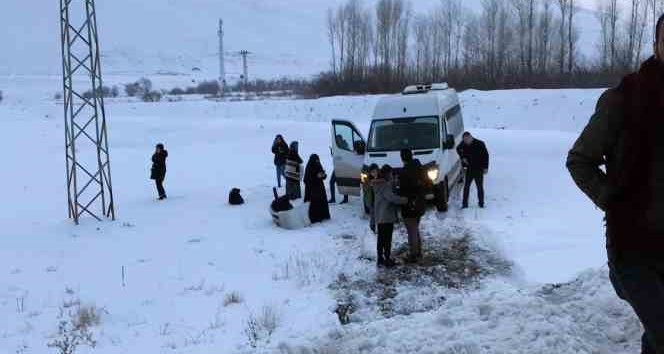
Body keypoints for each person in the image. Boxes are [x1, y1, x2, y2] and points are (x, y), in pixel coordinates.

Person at [567, 14, 664, 353]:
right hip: (633, 247)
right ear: (655, 45)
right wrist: (616, 201)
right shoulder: (623, 99)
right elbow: (580, 160)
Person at [372, 165, 408, 268]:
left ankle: (380, 259)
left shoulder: (378, 184)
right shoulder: (385, 185)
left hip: (380, 216)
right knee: (387, 239)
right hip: (386, 216)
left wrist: (394, 182)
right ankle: (387, 259)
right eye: (391, 174)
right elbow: (392, 198)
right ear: (387, 174)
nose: (392, 175)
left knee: (381, 238)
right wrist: (405, 200)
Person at [399, 149, 425, 262]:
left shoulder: (404, 172)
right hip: (420, 203)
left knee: (411, 230)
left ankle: (414, 254)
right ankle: (418, 251)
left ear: (402, 158)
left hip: (410, 205)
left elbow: (403, 191)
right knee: (415, 228)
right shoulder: (419, 167)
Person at [456, 132, 489, 209]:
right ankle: (464, 204)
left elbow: (486, 156)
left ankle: (481, 203)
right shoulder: (463, 144)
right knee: (466, 187)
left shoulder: (480, 144)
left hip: (479, 169)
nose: (466, 142)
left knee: (480, 187)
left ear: (471, 137)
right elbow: (458, 149)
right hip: (469, 169)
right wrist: (462, 157)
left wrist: (486, 167)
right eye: (464, 140)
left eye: (467, 140)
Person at [304, 154, 331, 223]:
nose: (317, 162)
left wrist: (323, 175)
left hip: (319, 188)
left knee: (321, 201)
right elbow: (306, 179)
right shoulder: (309, 167)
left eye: (317, 160)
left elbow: (322, 174)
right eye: (315, 160)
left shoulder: (318, 164)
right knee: (314, 203)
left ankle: (323, 216)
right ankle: (315, 218)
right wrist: (316, 177)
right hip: (311, 189)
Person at [363, 164, 380, 233]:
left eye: (375, 171)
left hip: (378, 200)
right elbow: (364, 189)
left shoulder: (380, 178)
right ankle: (372, 227)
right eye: (373, 172)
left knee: (379, 214)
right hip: (371, 200)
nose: (374, 173)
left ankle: (378, 227)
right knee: (373, 214)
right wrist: (370, 185)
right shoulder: (367, 179)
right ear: (370, 172)